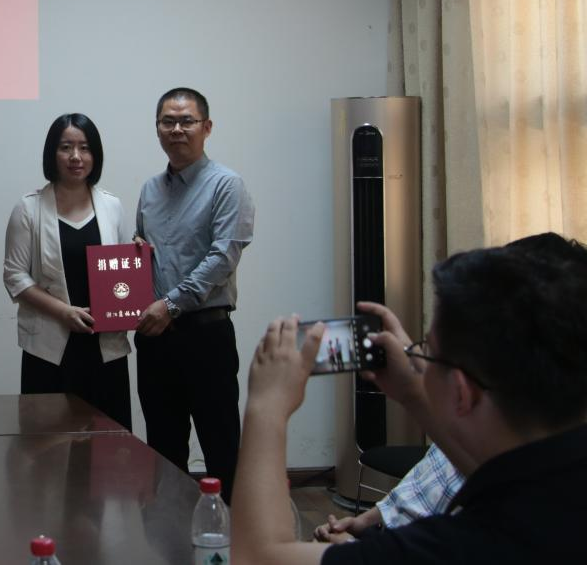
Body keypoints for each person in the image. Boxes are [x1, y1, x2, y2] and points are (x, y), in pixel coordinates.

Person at [232, 233, 587, 564]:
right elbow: (498, 477)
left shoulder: (463, 543)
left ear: (462, 392)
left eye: (428, 350)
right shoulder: (552, 486)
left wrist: (267, 407)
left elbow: (258, 557)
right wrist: (414, 392)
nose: (420, 361)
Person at [133, 87, 255, 500]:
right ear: (157, 129)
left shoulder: (226, 185)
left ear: (207, 127)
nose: (176, 129)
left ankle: (234, 533)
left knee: (221, 444)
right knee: (162, 447)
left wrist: (170, 305)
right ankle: (169, 531)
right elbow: (143, 246)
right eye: (167, 121)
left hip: (206, 337)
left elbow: (222, 258)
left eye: (186, 121)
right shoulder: (150, 190)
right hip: (156, 338)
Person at [3, 113, 132, 429]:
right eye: (66, 147)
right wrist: (64, 312)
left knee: (110, 444)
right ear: (52, 154)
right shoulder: (28, 208)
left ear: (95, 155)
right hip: (49, 348)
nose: (76, 156)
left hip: (104, 347)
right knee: (48, 445)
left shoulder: (112, 206)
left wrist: (138, 256)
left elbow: (122, 272)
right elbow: (15, 275)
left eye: (85, 148)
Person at [314, 443, 464, 543]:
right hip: (384, 536)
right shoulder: (451, 440)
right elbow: (411, 488)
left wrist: (351, 546)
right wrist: (361, 522)